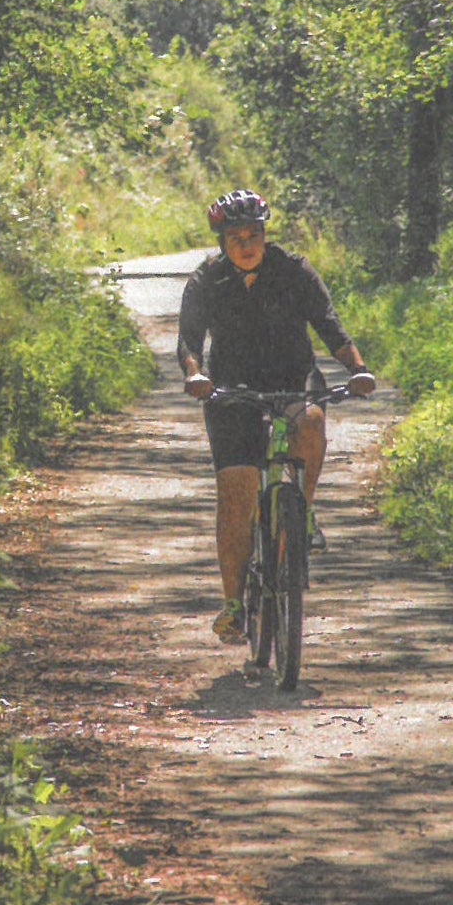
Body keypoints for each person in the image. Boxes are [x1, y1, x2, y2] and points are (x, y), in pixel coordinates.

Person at [177, 190, 376, 641]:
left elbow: (331, 328)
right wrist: (195, 375)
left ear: (265, 235)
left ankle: (301, 512)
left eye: (254, 235)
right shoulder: (207, 280)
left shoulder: (294, 271)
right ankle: (234, 606)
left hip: (292, 377)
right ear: (222, 242)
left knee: (310, 422)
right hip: (231, 388)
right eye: (236, 237)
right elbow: (189, 340)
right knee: (236, 493)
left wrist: (358, 370)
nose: (247, 245)